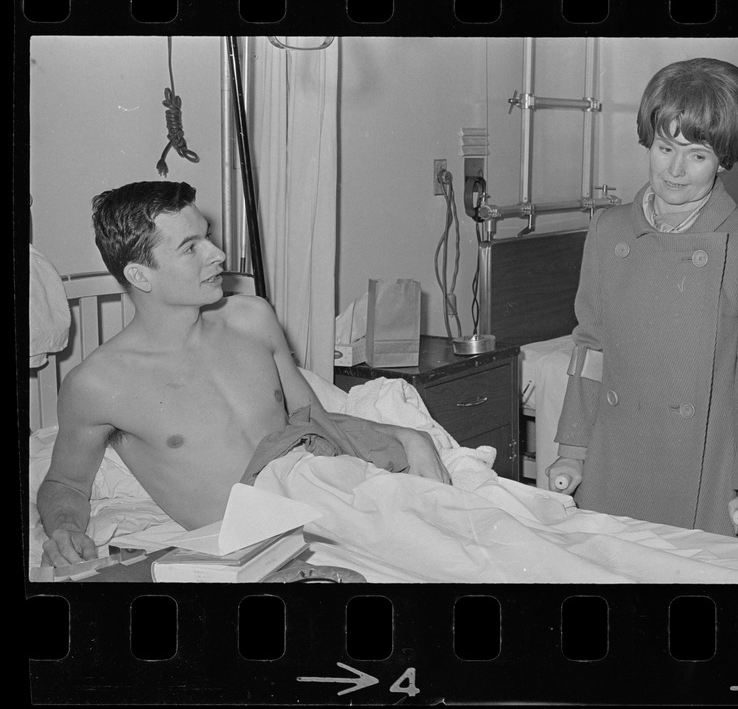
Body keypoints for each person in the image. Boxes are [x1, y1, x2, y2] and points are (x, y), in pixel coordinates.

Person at [37, 181, 450, 567]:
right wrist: (65, 528)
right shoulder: (98, 384)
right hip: (257, 547)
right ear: (140, 275)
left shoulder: (252, 319)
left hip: (328, 502)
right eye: (190, 247)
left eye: (208, 236)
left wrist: (406, 436)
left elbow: (315, 421)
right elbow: (67, 483)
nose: (217, 254)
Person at [546, 58, 738, 538]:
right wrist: (572, 451)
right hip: (613, 460)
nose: (675, 170)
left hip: (706, 470)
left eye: (697, 155)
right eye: (665, 148)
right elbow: (590, 350)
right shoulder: (607, 228)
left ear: (724, 159)